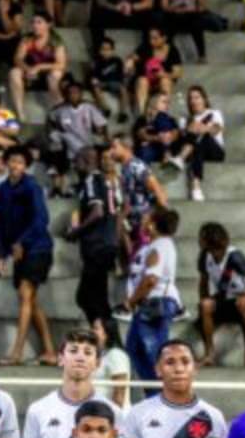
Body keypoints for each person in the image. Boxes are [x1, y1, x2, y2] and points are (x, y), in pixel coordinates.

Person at [0, 145, 56, 366]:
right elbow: (2, 223)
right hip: (18, 249)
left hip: (38, 247)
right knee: (31, 299)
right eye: (12, 161)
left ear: (26, 165)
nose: (15, 166)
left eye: (20, 162)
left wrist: (21, 241)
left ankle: (17, 353)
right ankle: (50, 351)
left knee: (25, 295)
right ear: (6, 163)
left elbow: (42, 220)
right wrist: (2, 253)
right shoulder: (2, 189)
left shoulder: (32, 186)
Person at [120, 207, 181, 384]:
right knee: (135, 349)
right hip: (148, 305)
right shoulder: (152, 246)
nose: (142, 221)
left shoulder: (160, 246)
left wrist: (131, 301)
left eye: (146, 218)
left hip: (156, 304)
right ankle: (154, 394)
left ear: (153, 225)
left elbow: (151, 279)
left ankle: (163, 395)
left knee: (153, 354)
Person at [197, 221, 245, 367]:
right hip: (225, 298)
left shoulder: (234, 257)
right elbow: (203, 282)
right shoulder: (204, 256)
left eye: (202, 238)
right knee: (205, 305)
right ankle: (209, 354)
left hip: (243, 297)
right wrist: (204, 306)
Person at [65, 146, 119, 324]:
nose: (74, 165)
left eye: (77, 160)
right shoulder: (102, 180)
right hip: (105, 244)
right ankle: (106, 338)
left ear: (87, 161)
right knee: (97, 299)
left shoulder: (91, 180)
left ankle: (107, 338)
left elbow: (97, 212)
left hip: (98, 246)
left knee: (86, 297)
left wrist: (76, 231)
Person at [45, 79, 108, 198]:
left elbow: (102, 126)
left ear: (81, 94)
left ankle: (85, 187)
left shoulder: (89, 107)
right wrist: (53, 134)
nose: (73, 95)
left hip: (86, 144)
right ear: (65, 94)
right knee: (55, 148)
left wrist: (101, 133)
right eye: (70, 92)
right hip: (67, 146)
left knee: (90, 155)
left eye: (76, 92)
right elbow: (50, 123)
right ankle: (58, 187)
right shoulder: (59, 110)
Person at [108, 135, 168, 254]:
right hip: (133, 224)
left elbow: (157, 189)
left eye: (114, 147)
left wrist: (160, 221)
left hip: (143, 225)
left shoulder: (137, 166)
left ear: (126, 148)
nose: (111, 151)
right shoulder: (124, 169)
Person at [8, 11, 67, 122]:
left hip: (48, 74)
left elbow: (61, 64)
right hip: (31, 74)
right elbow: (17, 58)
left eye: (39, 22)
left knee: (55, 74)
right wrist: (28, 69)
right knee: (14, 72)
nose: (35, 25)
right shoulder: (27, 39)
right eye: (33, 22)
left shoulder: (56, 40)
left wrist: (39, 67)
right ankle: (20, 114)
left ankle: (60, 110)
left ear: (48, 25)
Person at [158, 0, 228, 61]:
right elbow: (164, 4)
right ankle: (167, 54)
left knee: (197, 23)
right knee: (166, 22)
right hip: (174, 12)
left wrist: (192, 9)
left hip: (192, 12)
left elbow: (202, 3)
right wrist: (174, 9)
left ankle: (202, 55)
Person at [178, 85, 224, 200]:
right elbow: (184, 137)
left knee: (203, 136)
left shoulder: (214, 113)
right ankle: (196, 187)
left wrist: (203, 128)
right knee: (197, 144)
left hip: (214, 151)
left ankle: (180, 158)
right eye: (191, 98)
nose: (194, 101)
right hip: (195, 151)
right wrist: (191, 128)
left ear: (204, 99)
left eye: (197, 97)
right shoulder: (184, 120)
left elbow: (216, 130)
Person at [129, 27, 182, 117]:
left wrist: (163, 74)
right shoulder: (145, 46)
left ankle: (163, 114)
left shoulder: (172, 50)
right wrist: (130, 61)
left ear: (164, 38)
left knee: (165, 80)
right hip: (146, 81)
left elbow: (178, 73)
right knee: (142, 81)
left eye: (155, 38)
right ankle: (141, 116)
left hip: (161, 81)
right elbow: (134, 57)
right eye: (150, 38)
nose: (151, 41)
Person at [89, 0, 155, 50]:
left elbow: (149, 3)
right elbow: (100, 0)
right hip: (113, 12)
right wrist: (115, 7)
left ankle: (147, 50)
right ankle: (99, 50)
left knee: (151, 17)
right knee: (96, 16)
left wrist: (131, 7)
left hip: (134, 14)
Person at [133, 92, 182, 167]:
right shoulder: (143, 119)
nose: (167, 105)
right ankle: (166, 153)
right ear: (154, 103)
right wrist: (157, 138)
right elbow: (141, 135)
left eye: (168, 103)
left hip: (167, 147)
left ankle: (166, 152)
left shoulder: (171, 119)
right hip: (152, 149)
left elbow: (176, 134)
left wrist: (167, 137)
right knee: (145, 150)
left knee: (162, 117)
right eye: (164, 102)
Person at [88, 38, 129, 123]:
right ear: (99, 50)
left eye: (108, 49)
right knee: (95, 87)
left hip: (114, 82)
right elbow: (93, 75)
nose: (106, 52)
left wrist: (122, 80)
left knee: (123, 89)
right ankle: (105, 108)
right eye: (103, 49)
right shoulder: (96, 61)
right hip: (102, 82)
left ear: (113, 50)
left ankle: (123, 112)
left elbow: (121, 74)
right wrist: (94, 80)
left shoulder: (117, 60)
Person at [93, 317, 131, 407]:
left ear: (107, 332)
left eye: (96, 328)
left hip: (112, 415)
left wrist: (113, 417)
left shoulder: (116, 355)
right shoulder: (103, 354)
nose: (92, 331)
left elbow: (120, 391)